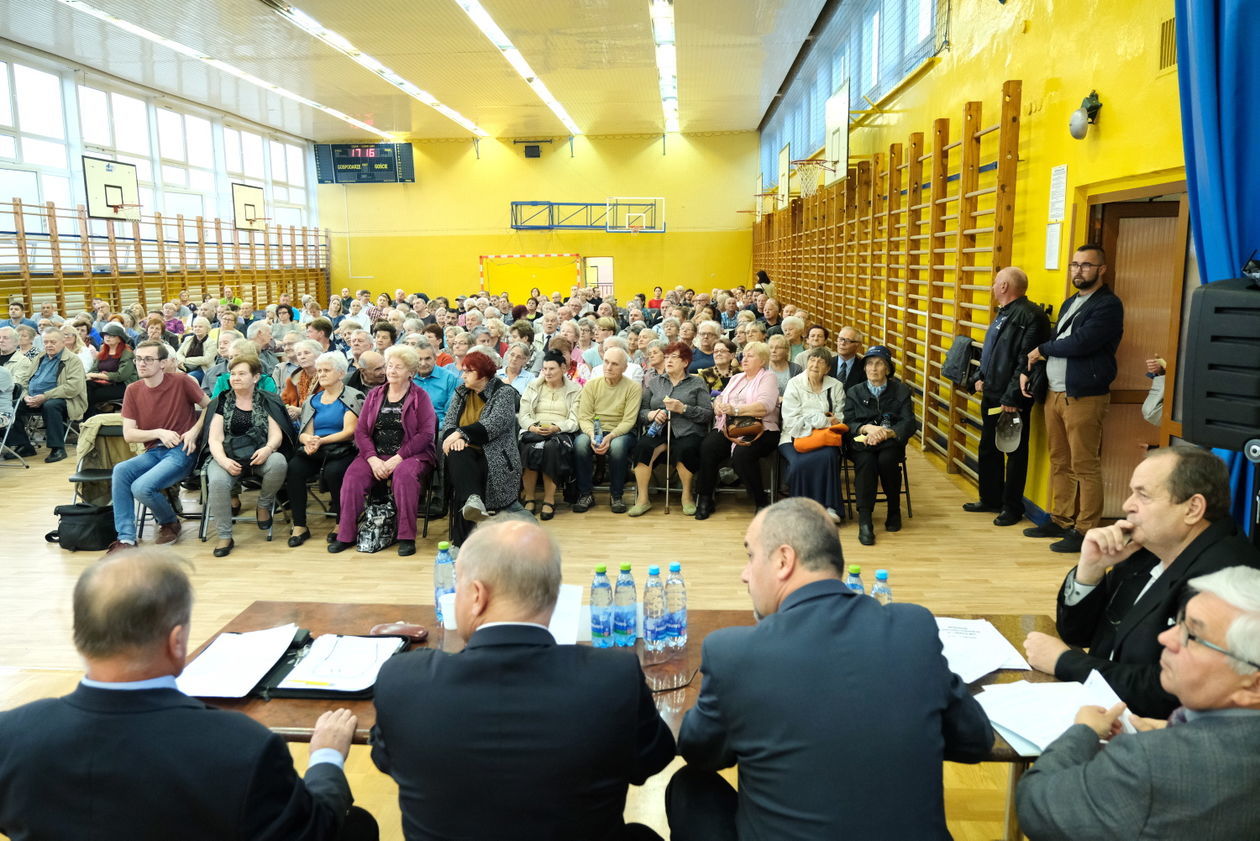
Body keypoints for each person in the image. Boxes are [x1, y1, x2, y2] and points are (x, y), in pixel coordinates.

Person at [667, 498, 992, 841]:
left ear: (783, 560)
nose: (745, 573)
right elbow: (975, 740)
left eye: (750, 556)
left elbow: (698, 750)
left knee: (689, 787)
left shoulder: (733, 653)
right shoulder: (914, 628)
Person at [0, 548, 375, 841]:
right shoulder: (242, 746)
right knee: (355, 826)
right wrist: (326, 757)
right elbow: (314, 832)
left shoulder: (10, 734)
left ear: (80, 634)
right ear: (176, 641)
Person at [371, 518, 675, 841]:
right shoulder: (615, 678)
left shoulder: (402, 682)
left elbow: (387, 758)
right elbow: (654, 758)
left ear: (477, 595)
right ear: (554, 594)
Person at [1016, 566, 1260, 841]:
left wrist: (1083, 732)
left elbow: (1036, 806)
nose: (1165, 638)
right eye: (1179, 622)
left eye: (1192, 636)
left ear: (1254, 684)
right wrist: (1175, 733)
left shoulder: (1149, 763)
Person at [1023, 446, 1260, 717]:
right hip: (1100, 708)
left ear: (1193, 508)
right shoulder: (1149, 547)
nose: (1127, 505)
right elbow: (1078, 634)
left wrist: (1066, 662)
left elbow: (1168, 691)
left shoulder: (1224, 578)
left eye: (1142, 495)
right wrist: (1091, 569)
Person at [1024, 243, 1125, 553]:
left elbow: (1081, 343)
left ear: (1101, 270)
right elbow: (1060, 338)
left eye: (1086, 265)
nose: (1078, 270)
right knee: (1060, 461)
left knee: (1084, 465)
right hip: (1055, 392)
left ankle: (1086, 530)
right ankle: (1061, 518)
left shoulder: (1108, 305)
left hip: (1084, 396)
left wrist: (1042, 350)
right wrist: (1031, 365)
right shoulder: (1072, 301)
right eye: (1075, 265)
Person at [963, 267, 1052, 526]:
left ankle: (1012, 507)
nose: (992, 287)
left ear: (1004, 286)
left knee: (1013, 451)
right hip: (992, 391)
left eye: (995, 283)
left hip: (1012, 398)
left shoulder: (1031, 316)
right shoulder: (1003, 314)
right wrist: (979, 376)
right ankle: (990, 498)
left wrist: (1013, 396)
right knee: (989, 447)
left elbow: (1026, 361)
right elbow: (992, 352)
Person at [330, 345, 435, 557]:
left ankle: (406, 536)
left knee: (404, 477)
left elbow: (426, 434)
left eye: (399, 367)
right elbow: (361, 432)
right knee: (352, 477)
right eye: (389, 366)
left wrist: (398, 458)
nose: (392, 370)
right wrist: (372, 458)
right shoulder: (375, 395)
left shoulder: (420, 396)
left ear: (410, 372)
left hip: (411, 455)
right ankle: (346, 534)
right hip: (376, 454)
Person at [109, 340, 210, 552]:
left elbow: (211, 407)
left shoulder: (182, 381)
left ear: (163, 363)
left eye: (148, 359)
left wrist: (194, 431)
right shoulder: (133, 390)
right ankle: (126, 538)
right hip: (154, 451)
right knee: (121, 471)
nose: (141, 364)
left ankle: (169, 521)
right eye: (138, 359)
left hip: (182, 451)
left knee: (141, 487)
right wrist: (158, 432)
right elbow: (129, 434)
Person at [201, 356, 292, 557]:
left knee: (278, 462)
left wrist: (268, 449)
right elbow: (214, 439)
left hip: (259, 454)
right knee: (216, 481)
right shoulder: (221, 400)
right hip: (227, 456)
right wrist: (223, 461)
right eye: (233, 374)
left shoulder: (267, 399)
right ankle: (225, 535)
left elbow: (275, 435)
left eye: (242, 374)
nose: (235, 378)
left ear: (256, 377)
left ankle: (264, 504)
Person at [440, 348, 522, 546]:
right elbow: (449, 423)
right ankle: (473, 504)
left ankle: (461, 545)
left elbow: (493, 425)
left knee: (466, 479)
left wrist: (461, 434)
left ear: (482, 373)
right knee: (458, 456)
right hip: (466, 452)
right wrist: (455, 437)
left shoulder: (504, 392)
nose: (463, 375)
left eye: (468, 371)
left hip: (496, 455)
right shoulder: (462, 392)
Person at [286, 352, 363, 547]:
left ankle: (341, 523)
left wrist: (320, 441)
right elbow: (304, 431)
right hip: (317, 447)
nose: (321, 374)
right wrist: (309, 440)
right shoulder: (313, 399)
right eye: (319, 370)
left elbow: (349, 432)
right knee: (294, 468)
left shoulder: (352, 396)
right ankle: (300, 525)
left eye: (326, 370)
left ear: (340, 373)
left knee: (334, 472)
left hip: (342, 448)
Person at [695, 341, 780, 519]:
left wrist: (735, 410)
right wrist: (717, 405)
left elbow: (765, 406)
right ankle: (705, 498)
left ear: (762, 361)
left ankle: (761, 501)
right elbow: (720, 397)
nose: (745, 358)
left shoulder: (768, 377)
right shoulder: (736, 378)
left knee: (742, 454)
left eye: (751, 355)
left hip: (761, 428)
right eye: (744, 355)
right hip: (731, 427)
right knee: (708, 447)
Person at [629, 342, 714, 517]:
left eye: (673, 357)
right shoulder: (654, 382)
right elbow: (642, 412)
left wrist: (683, 408)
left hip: (688, 431)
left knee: (686, 449)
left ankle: (687, 496)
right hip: (658, 430)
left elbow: (707, 414)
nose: (668, 360)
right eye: (666, 357)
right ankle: (643, 499)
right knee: (642, 447)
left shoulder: (697, 382)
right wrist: (652, 415)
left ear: (685, 362)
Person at [843, 345, 916, 546]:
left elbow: (909, 422)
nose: (873, 368)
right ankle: (865, 520)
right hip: (862, 443)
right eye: (869, 364)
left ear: (888, 369)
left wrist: (889, 432)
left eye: (878, 364)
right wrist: (865, 428)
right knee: (866, 462)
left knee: (887, 460)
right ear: (864, 368)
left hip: (890, 442)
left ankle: (894, 509)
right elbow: (847, 422)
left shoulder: (900, 390)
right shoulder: (854, 391)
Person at [779, 347, 847, 523]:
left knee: (830, 455)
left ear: (828, 369)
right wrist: (823, 419)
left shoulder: (836, 386)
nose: (815, 364)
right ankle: (802, 510)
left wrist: (811, 419)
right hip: (794, 438)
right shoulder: (794, 384)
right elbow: (791, 421)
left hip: (825, 438)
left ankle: (830, 507)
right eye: (812, 360)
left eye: (821, 362)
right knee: (799, 464)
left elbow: (840, 418)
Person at [573, 346, 640, 514]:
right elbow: (585, 417)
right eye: (606, 362)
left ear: (624, 368)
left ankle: (616, 495)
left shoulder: (633, 387)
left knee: (617, 447)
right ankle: (585, 494)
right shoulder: (591, 385)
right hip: (594, 430)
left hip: (621, 432)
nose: (608, 367)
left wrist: (610, 436)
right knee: (580, 443)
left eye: (615, 364)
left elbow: (629, 420)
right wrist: (592, 435)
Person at [4, 327, 86, 463]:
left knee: (50, 406)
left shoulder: (72, 360)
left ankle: (57, 448)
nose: (48, 345)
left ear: (62, 342)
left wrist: (45, 396)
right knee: (10, 406)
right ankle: (23, 445)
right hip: (34, 398)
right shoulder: (40, 357)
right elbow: (24, 380)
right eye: (46, 342)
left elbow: (73, 387)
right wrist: (25, 396)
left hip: (66, 400)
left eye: (53, 342)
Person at [517, 349, 582, 520]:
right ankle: (530, 497)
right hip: (534, 430)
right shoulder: (533, 386)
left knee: (551, 449)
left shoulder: (575, 389)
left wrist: (557, 427)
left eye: (552, 369)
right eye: (545, 369)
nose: (547, 372)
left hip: (560, 432)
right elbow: (523, 415)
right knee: (528, 447)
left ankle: (549, 499)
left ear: (563, 368)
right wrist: (532, 427)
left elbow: (575, 420)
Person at [84, 323, 137, 414]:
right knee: (85, 387)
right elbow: (93, 370)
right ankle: (90, 416)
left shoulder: (127, 353)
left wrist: (97, 375)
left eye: (112, 336)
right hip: (104, 383)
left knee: (93, 394)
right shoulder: (103, 352)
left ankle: (90, 417)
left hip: (122, 385)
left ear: (120, 338)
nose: (107, 338)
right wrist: (92, 375)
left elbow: (121, 376)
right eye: (106, 335)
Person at [410, 338, 458, 419]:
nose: (423, 363)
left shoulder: (449, 378)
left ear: (435, 358)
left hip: (438, 427)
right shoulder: (407, 378)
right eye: (419, 359)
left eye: (427, 358)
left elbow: (451, 414)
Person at [282, 339, 324, 423]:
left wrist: (300, 411)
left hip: (320, 423)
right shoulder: (292, 380)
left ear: (319, 355)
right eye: (299, 354)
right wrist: (289, 410)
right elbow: (283, 402)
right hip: (296, 423)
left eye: (307, 353)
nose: (302, 357)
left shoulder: (326, 377)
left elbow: (328, 409)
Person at [176, 316, 215, 382]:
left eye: (200, 327)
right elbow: (179, 353)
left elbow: (206, 360)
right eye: (195, 326)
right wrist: (182, 361)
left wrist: (185, 360)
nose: (197, 329)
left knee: (187, 379)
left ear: (207, 329)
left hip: (202, 369)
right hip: (183, 366)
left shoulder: (211, 342)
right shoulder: (188, 339)